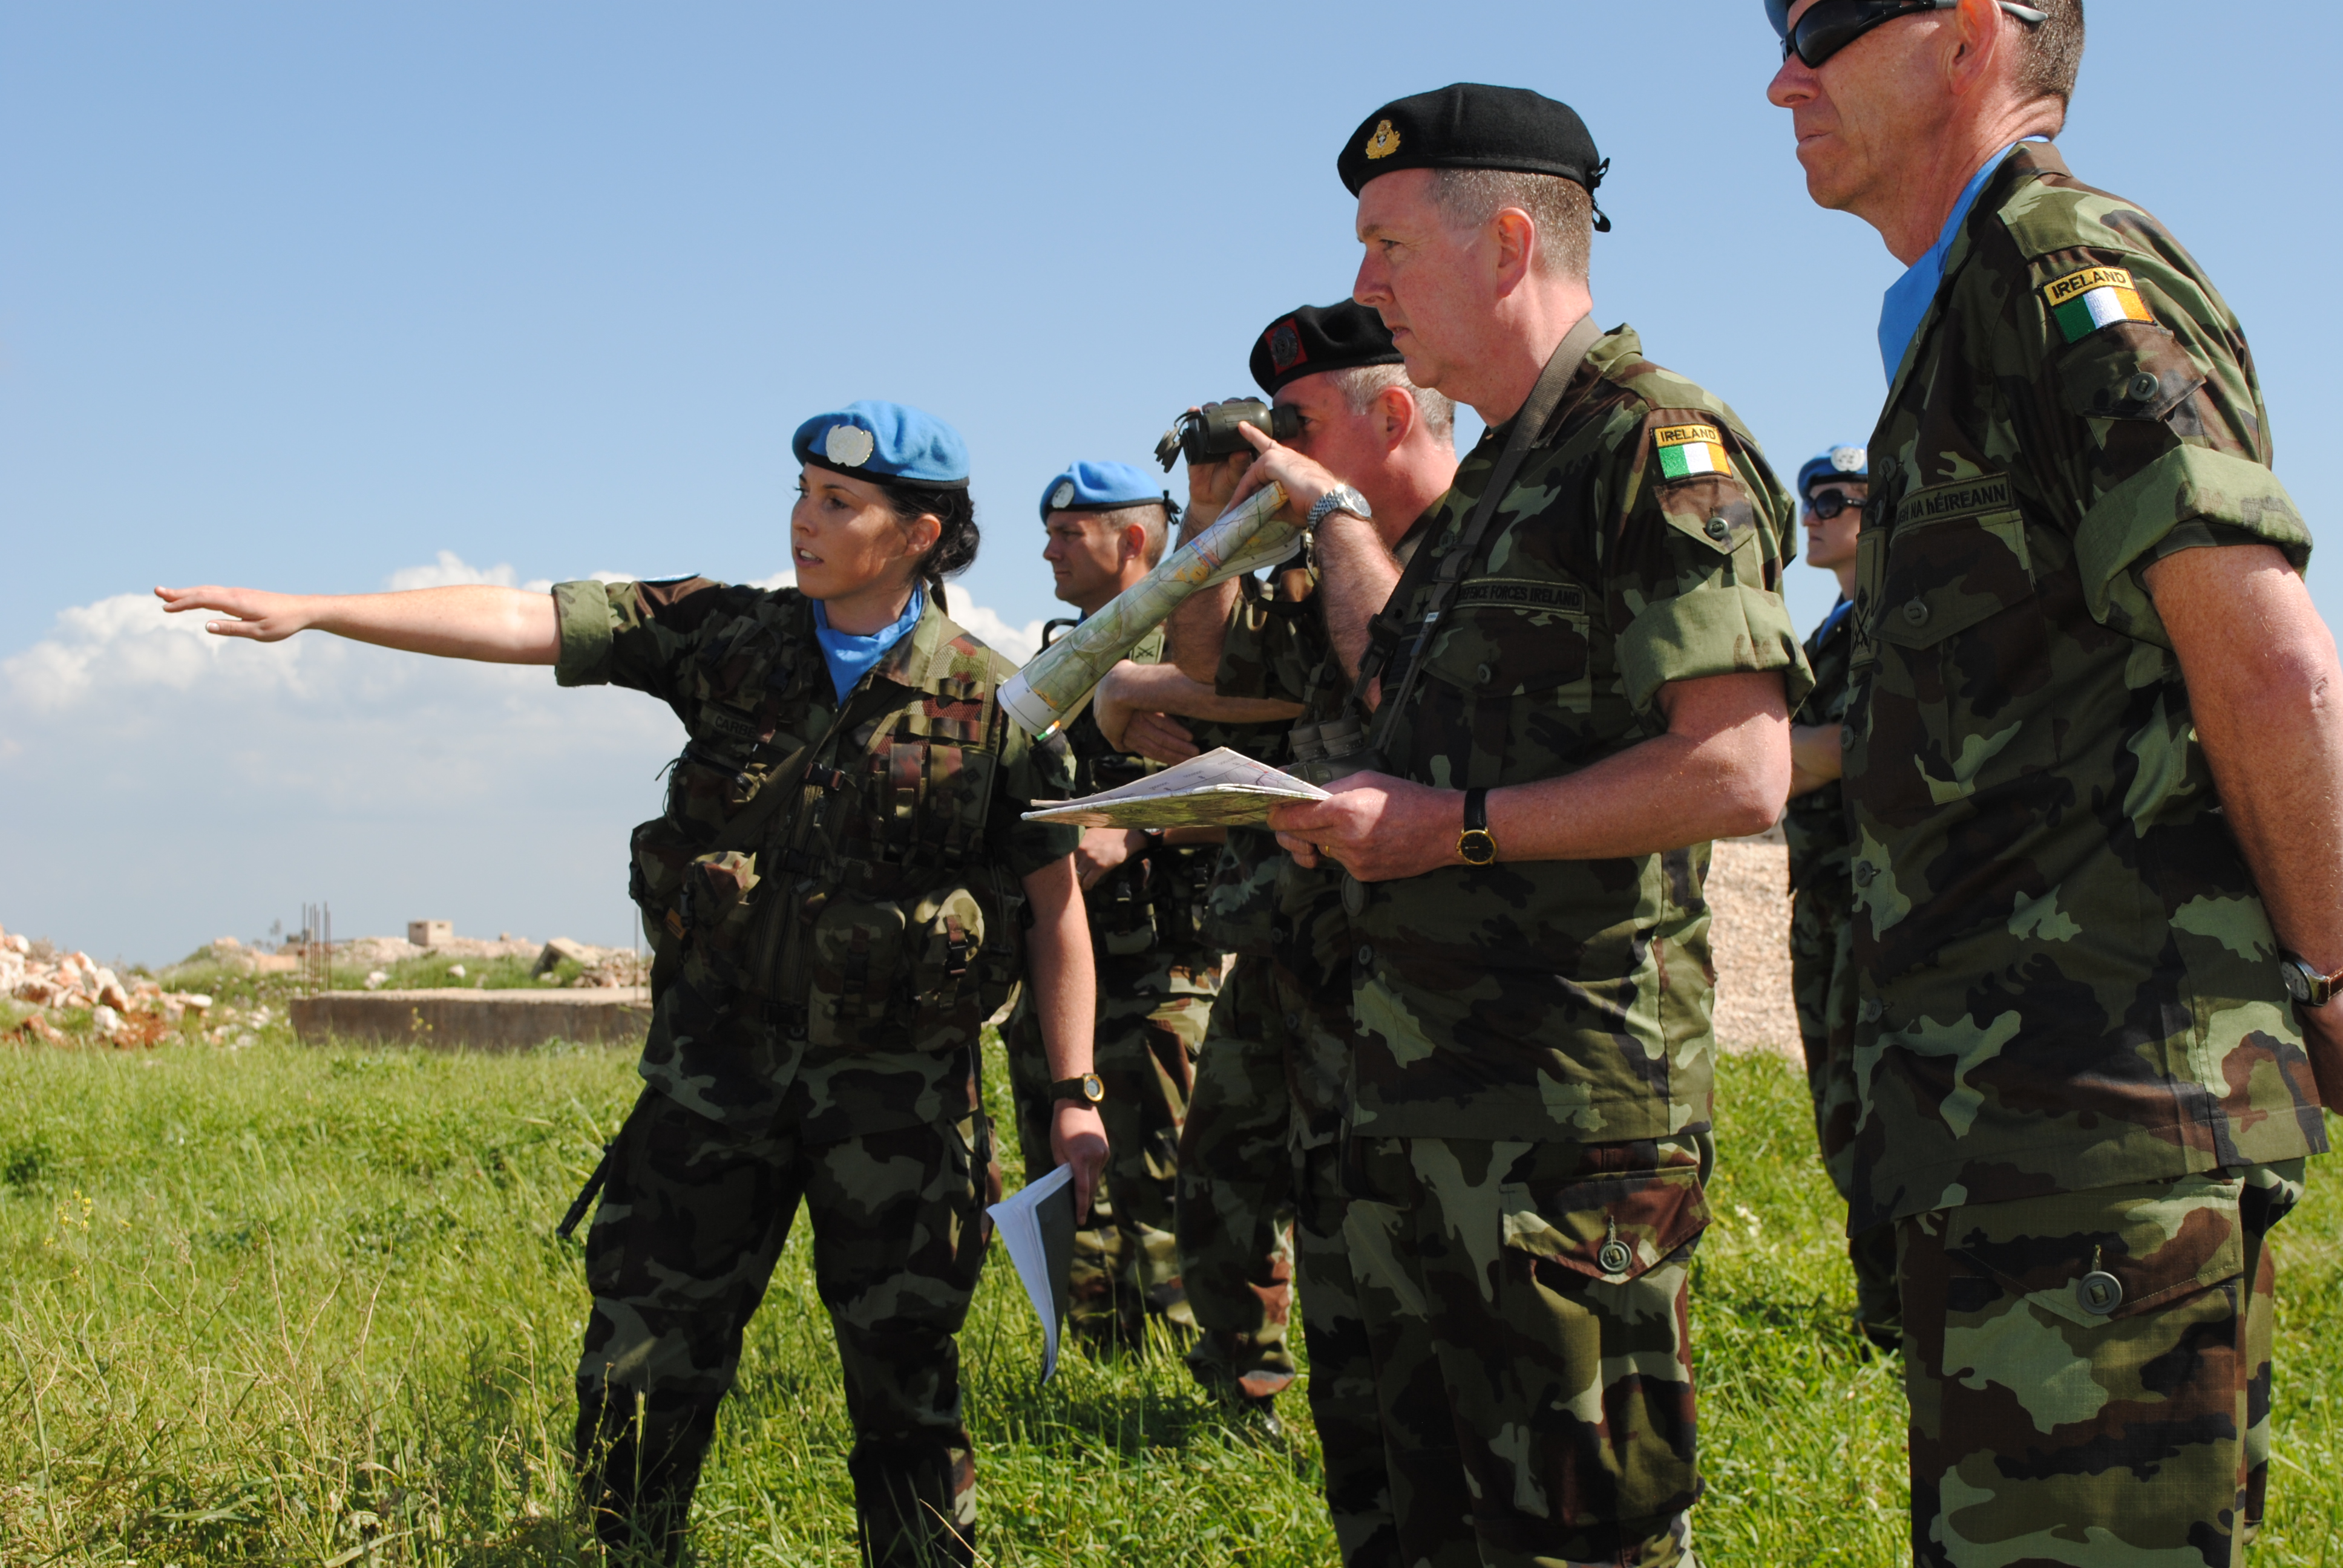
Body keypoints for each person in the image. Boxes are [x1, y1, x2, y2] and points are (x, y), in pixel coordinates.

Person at [156, 400, 1107, 1568]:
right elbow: (531, 617)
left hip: (900, 1108)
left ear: (919, 534)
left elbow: (1057, 912)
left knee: (906, 1391)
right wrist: (321, 612)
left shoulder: (997, 705)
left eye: (837, 503)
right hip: (711, 1088)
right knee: (642, 1371)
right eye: (802, 492)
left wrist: (1075, 1092)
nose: (801, 521)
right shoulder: (724, 636)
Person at [1766, 2, 2338, 1560]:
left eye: (1817, 28)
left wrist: (2333, 974)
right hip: (2014, 1134)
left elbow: (2270, 659)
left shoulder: (2055, 268)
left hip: (2107, 1128)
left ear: (1964, 35)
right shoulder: (1961, 307)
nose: (1780, 74)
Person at [1248, 86, 1807, 1568]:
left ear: (1506, 244)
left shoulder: (1652, 446)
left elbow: (1738, 772)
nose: (1366, 290)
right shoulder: (1497, 474)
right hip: (1421, 1110)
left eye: (1385, 250)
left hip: (1564, 1133)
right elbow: (1404, 708)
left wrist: (1453, 829)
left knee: (1577, 1537)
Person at [1121, 298, 1458, 1563]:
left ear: (1386, 415)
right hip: (1297, 948)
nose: (1282, 455)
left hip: (1428, 977)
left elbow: (1398, 680)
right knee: (1292, 1217)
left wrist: (1326, 512)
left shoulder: (1468, 552)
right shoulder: (1318, 560)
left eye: (1297, 430)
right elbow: (1208, 659)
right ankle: (1260, 1396)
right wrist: (1213, 532)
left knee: (1406, 1270)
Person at [1004, 459, 1218, 1352]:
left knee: (1168, 1192)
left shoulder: (1205, 658)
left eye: (1068, 534)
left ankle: (1175, 1372)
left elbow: (1269, 789)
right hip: (1061, 973)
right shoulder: (1061, 662)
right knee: (1064, 1183)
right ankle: (1086, 1361)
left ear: (1132, 542)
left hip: (1161, 968)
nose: (1049, 550)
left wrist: (1136, 830)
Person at [1781, 442, 1901, 1351]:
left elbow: (1855, 748)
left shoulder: (1899, 621)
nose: (1813, 514)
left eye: (1833, 498)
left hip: (1882, 905)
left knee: (1882, 1114)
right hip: (1823, 897)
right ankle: (1884, 1308)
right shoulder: (1831, 629)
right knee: (1840, 1111)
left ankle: (1900, 1318)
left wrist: (1737, 765)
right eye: (1809, 498)